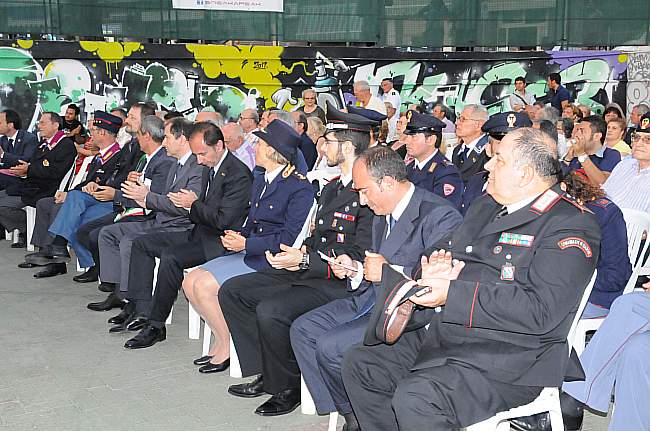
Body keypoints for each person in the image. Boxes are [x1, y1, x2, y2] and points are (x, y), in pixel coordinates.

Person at [342, 127, 600, 431]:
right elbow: (442, 250)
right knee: (361, 364)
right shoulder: (487, 206)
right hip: (453, 336)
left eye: (499, 160)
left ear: (525, 174)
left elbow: (541, 310)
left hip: (512, 357)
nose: (488, 164)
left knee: (418, 397)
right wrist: (432, 269)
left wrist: (452, 293)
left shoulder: (569, 224)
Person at [290, 147, 463, 429]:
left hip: (406, 313)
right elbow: (373, 262)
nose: (361, 200)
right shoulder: (382, 211)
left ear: (388, 183)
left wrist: (386, 271)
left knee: (331, 346)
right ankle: (350, 412)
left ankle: (359, 416)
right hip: (370, 299)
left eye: (364, 191)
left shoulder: (440, 216)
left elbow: (432, 280)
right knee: (303, 330)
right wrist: (355, 269)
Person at [220, 108, 374, 417]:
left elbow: (359, 255)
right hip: (309, 269)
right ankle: (267, 370)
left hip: (337, 281)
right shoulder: (333, 187)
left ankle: (287, 386)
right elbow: (318, 237)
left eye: (328, 141)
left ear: (346, 147)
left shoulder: (366, 193)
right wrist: (296, 255)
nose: (322, 147)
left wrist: (304, 259)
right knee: (234, 291)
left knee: (272, 310)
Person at [170, 120, 314, 363]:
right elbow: (253, 221)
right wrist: (239, 236)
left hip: (269, 259)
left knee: (203, 286)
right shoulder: (262, 179)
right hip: (250, 250)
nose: (254, 147)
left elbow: (287, 239)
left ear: (272, 151)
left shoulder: (299, 188)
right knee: (190, 281)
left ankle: (228, 346)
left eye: (259, 144)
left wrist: (246, 244)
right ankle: (223, 338)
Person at [115, 121, 252, 347]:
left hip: (218, 241)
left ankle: (156, 326)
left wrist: (192, 204)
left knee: (171, 257)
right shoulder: (209, 164)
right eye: (196, 154)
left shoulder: (238, 174)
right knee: (141, 243)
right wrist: (192, 206)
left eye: (202, 154)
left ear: (219, 146)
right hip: (198, 232)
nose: (199, 160)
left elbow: (223, 221)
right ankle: (139, 307)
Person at [94, 116, 204, 332]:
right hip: (160, 219)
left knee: (131, 242)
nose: (163, 142)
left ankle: (139, 307)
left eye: (168, 137)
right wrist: (144, 193)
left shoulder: (196, 167)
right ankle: (126, 297)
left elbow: (185, 207)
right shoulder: (177, 163)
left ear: (182, 139)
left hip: (180, 227)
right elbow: (165, 198)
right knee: (110, 233)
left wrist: (146, 196)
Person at [44, 115, 174, 277]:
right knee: (73, 204)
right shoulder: (134, 150)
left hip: (123, 203)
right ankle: (72, 254)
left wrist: (115, 191)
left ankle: (79, 257)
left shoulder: (139, 154)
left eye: (132, 117)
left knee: (79, 219)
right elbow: (112, 178)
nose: (127, 120)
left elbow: (142, 189)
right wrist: (97, 186)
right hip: (112, 197)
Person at [0, 112, 76, 249]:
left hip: (45, 190)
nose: (39, 126)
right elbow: (33, 164)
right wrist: (24, 171)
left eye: (43, 123)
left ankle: (26, 228)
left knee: (2, 205)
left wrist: (28, 170)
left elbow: (55, 172)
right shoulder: (44, 143)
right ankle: (27, 227)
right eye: (39, 123)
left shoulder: (65, 145)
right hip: (31, 186)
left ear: (55, 125)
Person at [561, 171, 631, 319]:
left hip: (595, 296)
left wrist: (566, 278)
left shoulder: (604, 214)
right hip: (556, 291)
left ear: (562, 188)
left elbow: (614, 277)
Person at [461, 111, 532, 215]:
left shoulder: (527, 185)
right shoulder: (476, 181)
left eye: (517, 144)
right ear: (488, 149)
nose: (508, 147)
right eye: (501, 143)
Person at [402, 110, 463, 209]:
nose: (407, 141)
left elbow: (443, 211)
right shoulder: (408, 168)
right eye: (407, 136)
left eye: (413, 137)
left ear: (430, 140)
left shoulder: (446, 173)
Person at [601, 113, 650, 212]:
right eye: (636, 137)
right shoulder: (624, 165)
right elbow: (604, 194)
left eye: (648, 139)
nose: (638, 144)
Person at [563, 115, 621, 186]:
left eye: (582, 131)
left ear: (596, 136)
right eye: (577, 130)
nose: (576, 135)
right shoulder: (575, 154)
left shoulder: (611, 154)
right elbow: (558, 179)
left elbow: (601, 184)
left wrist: (582, 155)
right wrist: (568, 158)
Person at [452, 104, 489, 184]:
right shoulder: (457, 150)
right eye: (458, 118)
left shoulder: (488, 152)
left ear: (478, 125)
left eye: (463, 119)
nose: (456, 123)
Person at [0, 109, 39, 175]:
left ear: (10, 125)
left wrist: (3, 155)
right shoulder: (2, 140)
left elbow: (25, 160)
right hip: (6, 176)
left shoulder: (30, 139)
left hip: (21, 177)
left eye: (0, 123)